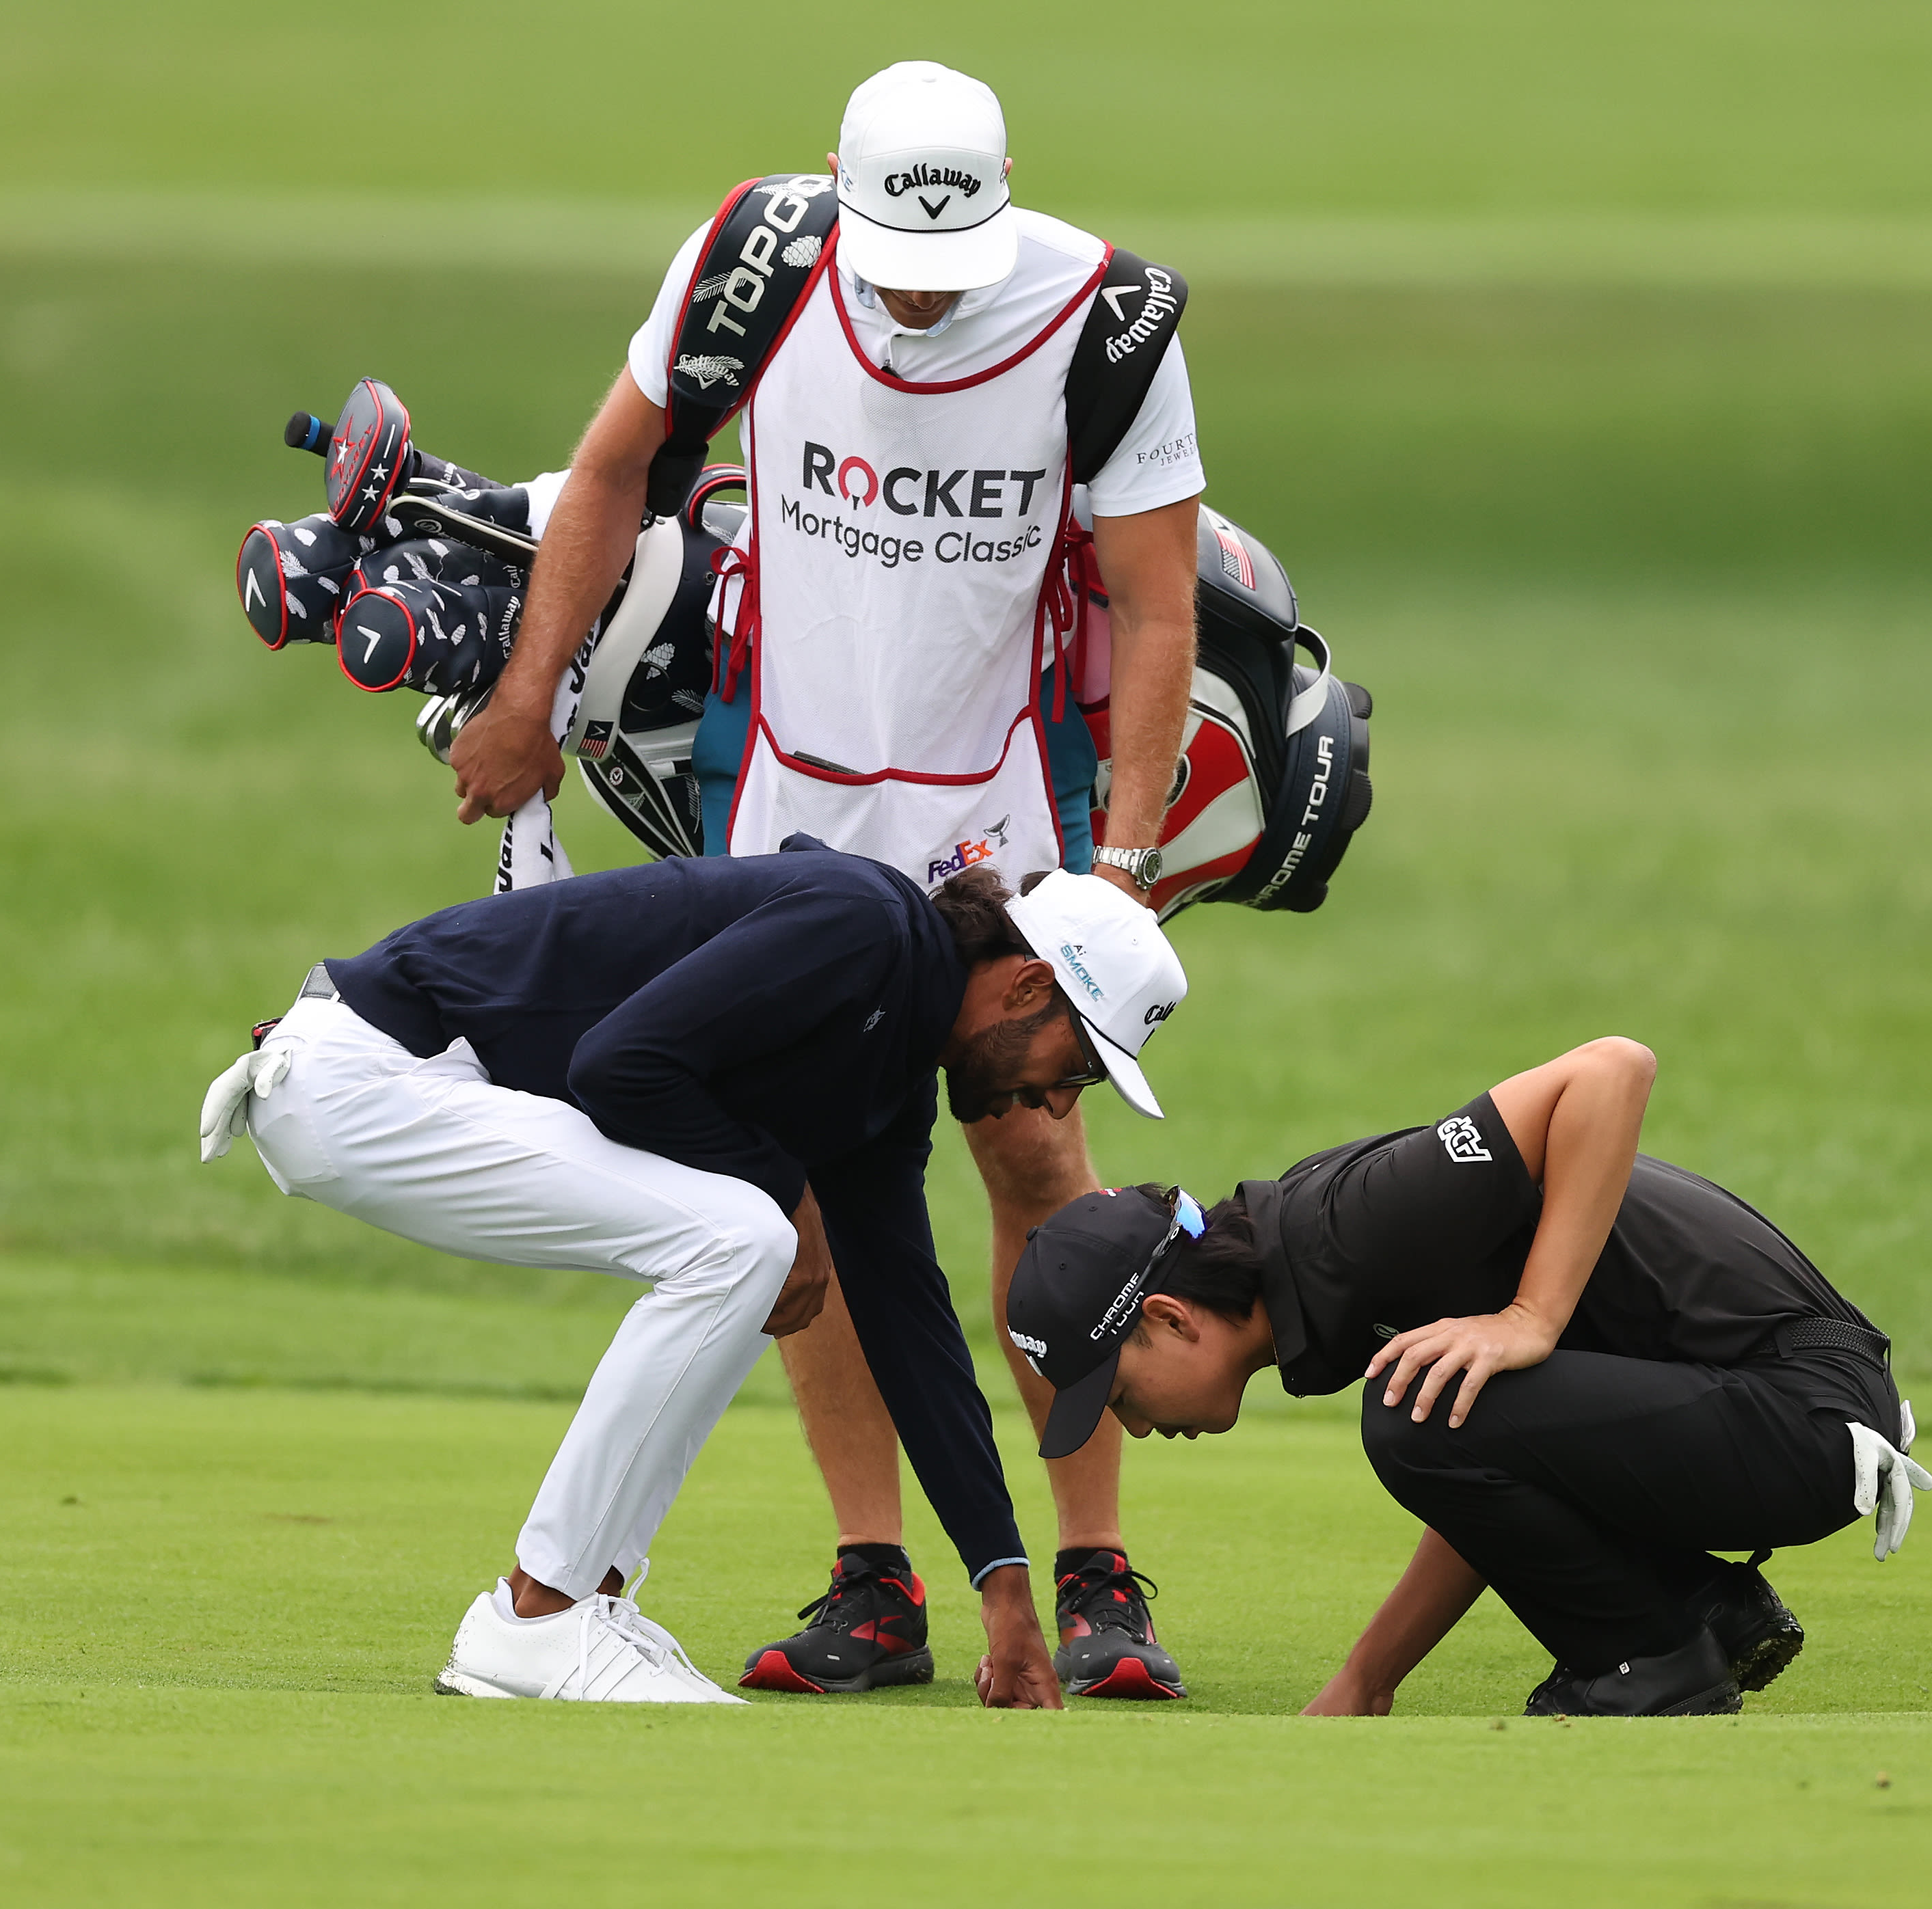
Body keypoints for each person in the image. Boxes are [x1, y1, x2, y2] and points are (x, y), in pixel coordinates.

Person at [444, 60, 1209, 1698]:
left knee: (1034, 1153)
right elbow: (605, 474)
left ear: (1007, 183)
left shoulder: (1104, 316)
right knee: (795, 1180)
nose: (923, 295)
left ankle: (1095, 1573)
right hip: (786, 802)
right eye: (898, 262)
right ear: (833, 191)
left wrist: (1125, 869)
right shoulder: (758, 256)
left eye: (951, 258)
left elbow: (1153, 606)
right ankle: (877, 1578)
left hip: (1003, 815)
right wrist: (527, 698)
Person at [196, 843, 1189, 1706]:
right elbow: (619, 1064)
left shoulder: (888, 1070)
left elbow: (909, 1322)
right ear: (1023, 987)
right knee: (743, 1238)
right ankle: (538, 1613)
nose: (1058, 1101)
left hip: (402, 1085)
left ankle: (582, 1602)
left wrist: (1001, 1581)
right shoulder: (865, 926)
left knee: (743, 1236)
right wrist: (791, 1195)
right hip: (367, 1077)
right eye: (1078, 1063)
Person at [1003, 1038, 1932, 1718]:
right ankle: (1699, 1609)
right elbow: (1497, 1467)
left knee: (1409, 1413)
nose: (1129, 1425)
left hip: (1804, 1416)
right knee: (1429, 1405)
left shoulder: (1350, 1226)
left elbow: (1611, 1070)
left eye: (1118, 1391)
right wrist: (1369, 1678)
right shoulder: (1314, 1260)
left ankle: (1652, 1654)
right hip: (1777, 1411)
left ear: (1168, 1317)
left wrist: (1531, 1318)